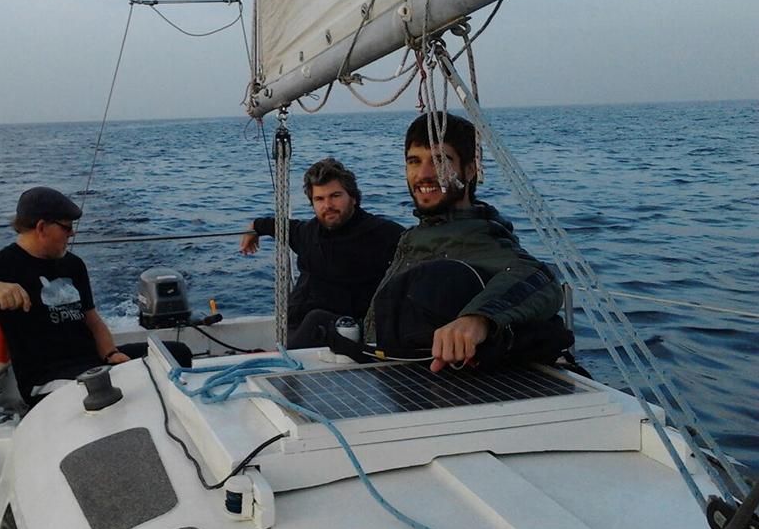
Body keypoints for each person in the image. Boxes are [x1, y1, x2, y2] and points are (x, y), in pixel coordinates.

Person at [0, 186, 191, 406]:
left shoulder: (73, 264)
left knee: (177, 352)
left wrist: (110, 353)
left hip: (93, 362)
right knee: (120, 383)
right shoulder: (1, 266)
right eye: (67, 227)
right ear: (42, 227)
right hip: (46, 378)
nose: (72, 233)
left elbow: (91, 319)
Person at [362, 112, 566, 372]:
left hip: (431, 383)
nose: (423, 174)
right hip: (384, 371)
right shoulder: (415, 236)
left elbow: (539, 277)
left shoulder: (479, 237)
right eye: (414, 161)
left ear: (470, 170)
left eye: (439, 161)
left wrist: (478, 319)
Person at [239, 158, 404, 348]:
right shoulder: (308, 232)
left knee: (316, 319)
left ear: (353, 197)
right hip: (297, 330)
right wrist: (254, 227)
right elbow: (277, 225)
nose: (327, 205)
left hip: (346, 333)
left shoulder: (384, 234)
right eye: (319, 199)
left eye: (335, 196)